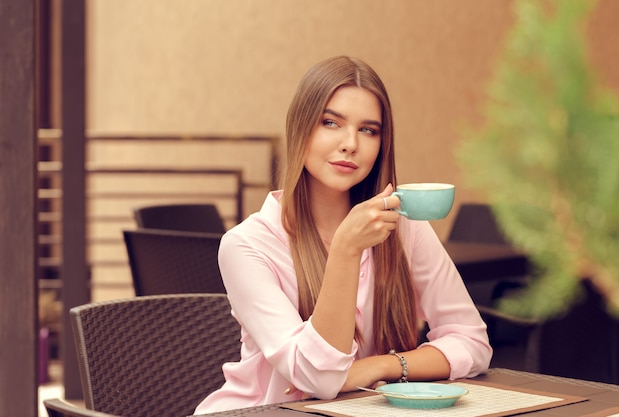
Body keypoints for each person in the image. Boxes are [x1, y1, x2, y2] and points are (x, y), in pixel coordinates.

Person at [194, 55, 492, 414]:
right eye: (330, 122)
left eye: (368, 130)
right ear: (300, 128)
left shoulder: (404, 228)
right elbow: (317, 379)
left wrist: (380, 365)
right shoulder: (247, 245)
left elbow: (473, 342)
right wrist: (346, 248)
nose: (350, 143)